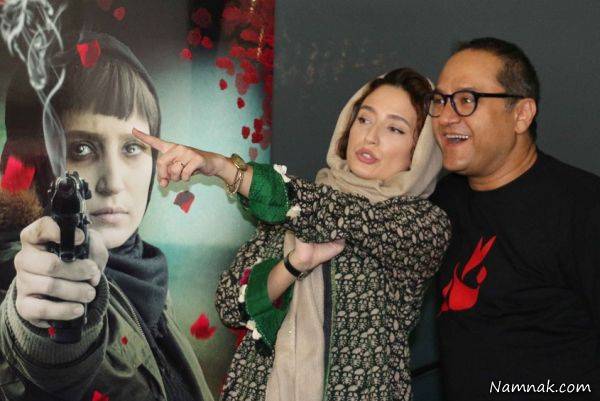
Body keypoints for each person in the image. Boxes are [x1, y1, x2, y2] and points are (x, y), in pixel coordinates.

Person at [134, 68, 452, 401]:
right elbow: (230, 304)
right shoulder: (292, 210)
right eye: (364, 119)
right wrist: (292, 265)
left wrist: (222, 167)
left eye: (395, 129)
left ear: (419, 149)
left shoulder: (420, 224)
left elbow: (339, 214)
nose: (371, 137)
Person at [0, 32, 213, 401]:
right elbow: (44, 358)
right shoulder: (24, 279)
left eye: (132, 147)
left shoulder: (143, 276)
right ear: (35, 162)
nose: (113, 182)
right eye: (82, 149)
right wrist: (39, 329)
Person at [428, 37, 600, 400]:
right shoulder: (439, 203)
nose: (445, 117)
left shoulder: (583, 208)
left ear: (521, 114)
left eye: (466, 100)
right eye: (440, 100)